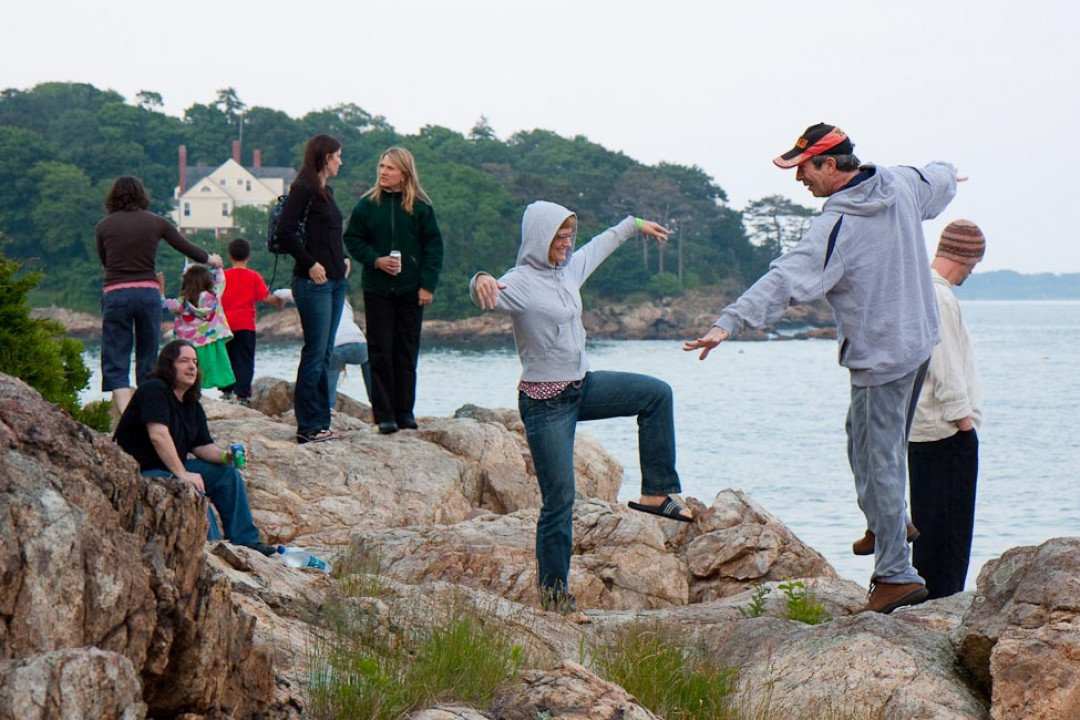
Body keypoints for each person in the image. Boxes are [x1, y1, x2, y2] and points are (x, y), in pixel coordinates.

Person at [685, 123, 961, 614]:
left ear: (830, 164)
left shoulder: (837, 224)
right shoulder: (899, 182)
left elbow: (786, 278)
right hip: (918, 342)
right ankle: (887, 521)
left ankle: (895, 573)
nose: (799, 179)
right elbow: (936, 176)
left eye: (804, 169)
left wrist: (729, 321)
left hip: (881, 356)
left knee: (879, 458)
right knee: (864, 437)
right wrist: (951, 173)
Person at [471, 201, 692, 612]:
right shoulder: (520, 282)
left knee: (656, 394)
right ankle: (555, 599)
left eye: (569, 235)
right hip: (544, 403)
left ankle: (655, 492)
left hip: (582, 386)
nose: (567, 243)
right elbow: (487, 289)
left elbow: (604, 242)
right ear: (539, 237)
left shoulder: (570, 269)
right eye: (559, 236)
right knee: (560, 501)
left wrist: (636, 224)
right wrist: (480, 278)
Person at [113, 339, 276, 556]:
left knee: (226, 473)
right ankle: (211, 551)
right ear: (169, 364)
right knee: (192, 488)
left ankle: (246, 540)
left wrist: (226, 456)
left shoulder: (191, 404)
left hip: (170, 468)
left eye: (195, 362)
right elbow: (158, 436)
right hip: (141, 470)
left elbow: (201, 446)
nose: (192, 367)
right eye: (184, 361)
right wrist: (183, 474)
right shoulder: (154, 389)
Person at [96, 176, 221, 414]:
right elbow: (185, 246)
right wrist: (210, 259)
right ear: (142, 195)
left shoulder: (104, 226)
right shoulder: (156, 222)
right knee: (148, 355)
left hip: (116, 292)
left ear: (113, 197)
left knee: (116, 356)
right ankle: (147, 412)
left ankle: (126, 414)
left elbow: (106, 262)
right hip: (147, 293)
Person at [908, 220, 986, 600]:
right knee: (951, 533)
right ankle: (944, 606)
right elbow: (944, 362)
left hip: (921, 428)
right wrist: (963, 420)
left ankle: (925, 601)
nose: (971, 272)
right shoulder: (939, 297)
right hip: (946, 430)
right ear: (967, 258)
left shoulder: (917, 288)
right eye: (974, 264)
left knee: (929, 527)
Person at [343, 147, 443, 435]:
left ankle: (405, 412)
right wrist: (375, 260)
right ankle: (384, 414)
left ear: (404, 174)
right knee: (380, 351)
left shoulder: (421, 208)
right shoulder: (367, 205)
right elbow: (352, 239)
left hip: (412, 289)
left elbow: (434, 248)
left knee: (406, 351)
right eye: (381, 166)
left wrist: (427, 285)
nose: (383, 172)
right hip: (377, 289)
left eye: (390, 168)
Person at [279, 134, 348, 444]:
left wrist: (343, 258)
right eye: (338, 156)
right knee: (315, 351)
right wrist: (309, 263)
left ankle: (321, 421)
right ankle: (307, 425)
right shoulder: (303, 189)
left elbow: (329, 235)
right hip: (313, 283)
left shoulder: (326, 192)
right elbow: (285, 231)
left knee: (326, 352)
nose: (340, 162)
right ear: (325, 157)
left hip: (335, 282)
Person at [220, 238, 286, 404]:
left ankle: (227, 392)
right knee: (245, 360)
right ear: (248, 256)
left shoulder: (222, 276)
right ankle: (242, 395)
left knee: (226, 359)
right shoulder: (253, 276)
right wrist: (279, 301)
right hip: (245, 324)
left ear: (229, 256)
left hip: (224, 325)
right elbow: (265, 297)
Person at [160, 264, 236, 390]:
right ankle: (229, 393)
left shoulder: (182, 303)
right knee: (216, 372)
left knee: (191, 376)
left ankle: (193, 394)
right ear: (207, 281)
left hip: (189, 346)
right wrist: (215, 265)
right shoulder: (215, 296)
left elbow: (162, 305)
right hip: (212, 342)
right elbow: (221, 279)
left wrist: (161, 291)